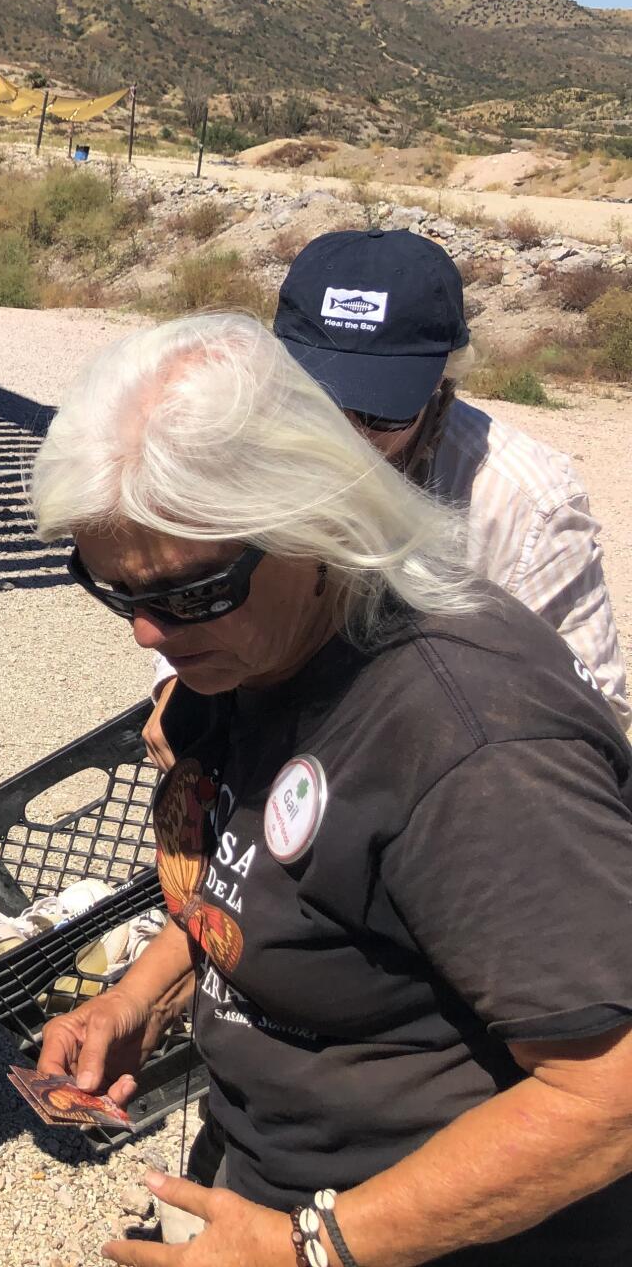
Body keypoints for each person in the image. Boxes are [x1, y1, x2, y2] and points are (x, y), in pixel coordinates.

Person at [31, 313, 632, 1267]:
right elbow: (260, 876)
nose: (148, 634)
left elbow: (610, 1095)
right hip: (270, 1180)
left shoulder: (468, 737)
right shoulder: (252, 651)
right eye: (115, 591)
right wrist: (139, 999)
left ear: (314, 520)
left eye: (188, 591)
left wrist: (313, 1247)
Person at [146, 228, 628, 771]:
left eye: (379, 413)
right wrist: (179, 679)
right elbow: (200, 578)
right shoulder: (251, 436)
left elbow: (594, 711)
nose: (344, 439)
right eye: (317, 404)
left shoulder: (528, 504)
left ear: (443, 380)